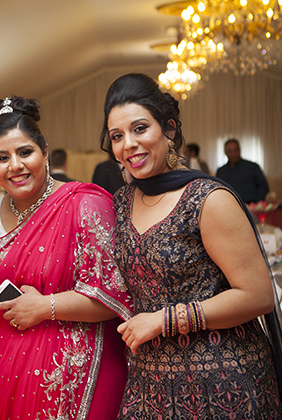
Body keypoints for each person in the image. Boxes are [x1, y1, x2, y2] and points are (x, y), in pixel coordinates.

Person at [101, 73, 282, 418]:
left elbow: (258, 295)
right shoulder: (121, 201)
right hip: (148, 385)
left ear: (168, 130)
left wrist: (162, 321)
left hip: (223, 383)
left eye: (140, 128)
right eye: (117, 136)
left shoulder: (207, 199)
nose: (129, 144)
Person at [0, 96, 132, 419]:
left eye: (25, 152)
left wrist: (44, 307)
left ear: (45, 151)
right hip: (10, 373)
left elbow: (113, 296)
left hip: (78, 378)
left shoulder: (84, 204)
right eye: (2, 157)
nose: (15, 166)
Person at [216, 138, 269, 203]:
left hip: (250, 207)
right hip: (228, 207)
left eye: (235, 151)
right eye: (229, 151)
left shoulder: (253, 167)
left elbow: (263, 187)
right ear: (225, 152)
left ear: (239, 150)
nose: (233, 154)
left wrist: (256, 203)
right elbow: (218, 192)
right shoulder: (221, 171)